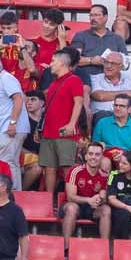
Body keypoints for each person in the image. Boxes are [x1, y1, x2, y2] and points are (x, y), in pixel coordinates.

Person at [40, 49, 85, 193]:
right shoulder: (54, 83)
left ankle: (70, 198)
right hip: (49, 132)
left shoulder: (74, 80)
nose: (50, 64)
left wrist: (72, 124)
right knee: (49, 169)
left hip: (65, 132)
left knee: (67, 168)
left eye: (53, 61)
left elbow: (78, 102)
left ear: (62, 63)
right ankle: (48, 200)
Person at [0, 55, 29, 180]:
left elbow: (19, 99)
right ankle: (14, 195)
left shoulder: (6, 79)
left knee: (7, 163)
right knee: (12, 163)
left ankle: (9, 196)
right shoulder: (0, 81)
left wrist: (13, 123)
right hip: (9, 127)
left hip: (12, 128)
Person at [94, 94, 131, 169]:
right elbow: (93, 146)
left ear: (130, 109)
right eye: (115, 105)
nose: (117, 108)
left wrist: (124, 155)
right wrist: (99, 144)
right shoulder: (102, 122)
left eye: (122, 106)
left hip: (127, 156)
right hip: (106, 155)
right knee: (105, 162)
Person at [90, 52, 131, 122]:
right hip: (102, 115)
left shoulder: (128, 79)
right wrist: (127, 93)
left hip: (122, 115)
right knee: (104, 116)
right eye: (106, 62)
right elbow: (99, 96)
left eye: (113, 63)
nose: (108, 66)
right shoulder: (95, 78)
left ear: (121, 66)